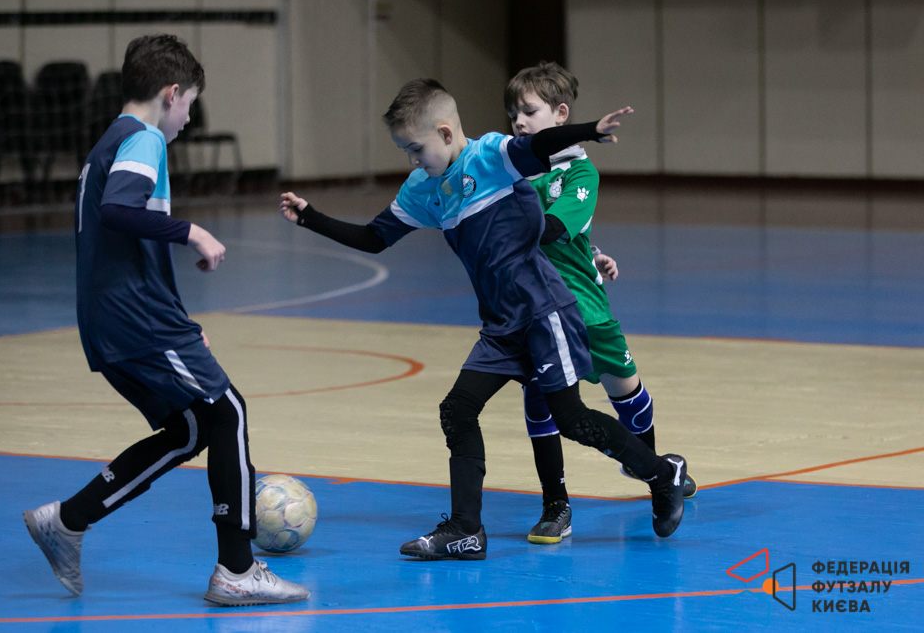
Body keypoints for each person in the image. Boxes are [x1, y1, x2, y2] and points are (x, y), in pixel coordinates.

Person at [280, 78, 688, 560]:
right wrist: (311, 218)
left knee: (572, 419)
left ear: (446, 133)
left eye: (416, 149)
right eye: (405, 151)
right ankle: (466, 530)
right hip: (500, 325)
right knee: (457, 409)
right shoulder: (422, 189)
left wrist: (588, 131)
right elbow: (374, 238)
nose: (412, 160)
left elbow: (537, 145)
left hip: (543, 311)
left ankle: (661, 475)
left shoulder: (491, 156)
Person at [22, 34, 307, 606]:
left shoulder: (109, 141)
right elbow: (119, 211)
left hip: (113, 318)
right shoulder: (145, 138)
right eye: (190, 105)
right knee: (228, 412)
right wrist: (192, 231)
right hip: (133, 316)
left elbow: (123, 245)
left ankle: (69, 519)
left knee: (191, 429)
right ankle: (237, 569)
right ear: (171, 93)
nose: (189, 119)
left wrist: (181, 323)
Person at [505, 62, 697, 545]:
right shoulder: (513, 168)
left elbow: (552, 229)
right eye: (513, 114)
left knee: (626, 392)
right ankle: (556, 506)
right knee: (539, 402)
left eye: (529, 111)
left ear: (560, 114)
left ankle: (655, 472)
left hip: (585, 311)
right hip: (535, 310)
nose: (519, 122)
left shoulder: (579, 171)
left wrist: (582, 253)